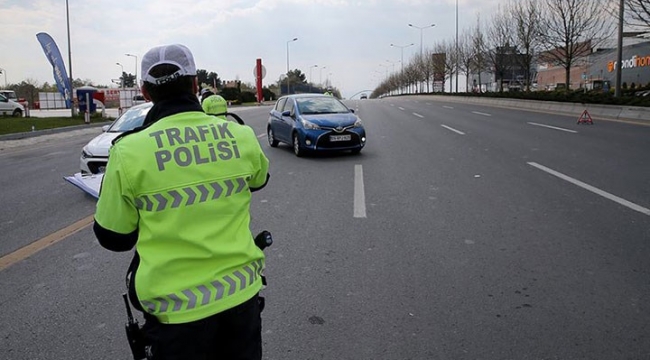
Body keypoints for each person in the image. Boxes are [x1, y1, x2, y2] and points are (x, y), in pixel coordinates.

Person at [93, 43, 270, 360]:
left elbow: (114, 237)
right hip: (242, 300)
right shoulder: (240, 136)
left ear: (145, 93)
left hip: (175, 318)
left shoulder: (128, 151)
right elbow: (259, 180)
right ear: (194, 85)